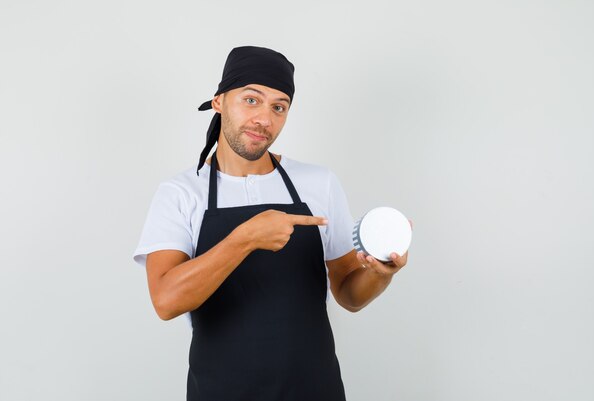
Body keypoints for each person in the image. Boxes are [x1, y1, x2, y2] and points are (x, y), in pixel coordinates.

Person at [133, 46, 409, 401]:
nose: (264, 119)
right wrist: (244, 238)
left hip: (315, 390)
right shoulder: (181, 193)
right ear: (219, 101)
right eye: (251, 100)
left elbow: (348, 295)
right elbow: (166, 301)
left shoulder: (318, 183)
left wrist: (379, 274)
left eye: (278, 107)